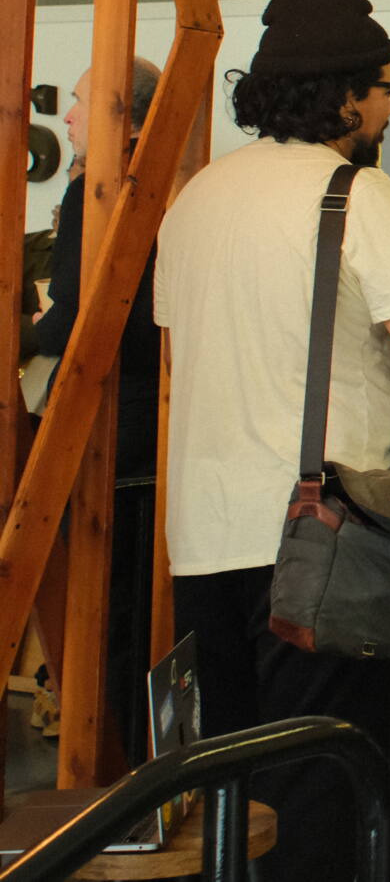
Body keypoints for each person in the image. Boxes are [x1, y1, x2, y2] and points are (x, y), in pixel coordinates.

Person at [154, 0, 390, 882]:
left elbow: (190, 349)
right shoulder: (360, 194)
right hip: (318, 541)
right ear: (345, 96)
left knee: (230, 797)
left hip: (203, 536)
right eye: (387, 89)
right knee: (322, 793)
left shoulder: (196, 197)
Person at [34, 57, 162, 763]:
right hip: (152, 416)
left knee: (96, 598)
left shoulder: (97, 191)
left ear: (125, 117)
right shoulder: (168, 181)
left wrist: (20, 334)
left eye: (81, 101)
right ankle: (137, 757)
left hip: (105, 415)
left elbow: (76, 319)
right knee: (134, 603)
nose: (69, 115)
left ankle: (105, 760)